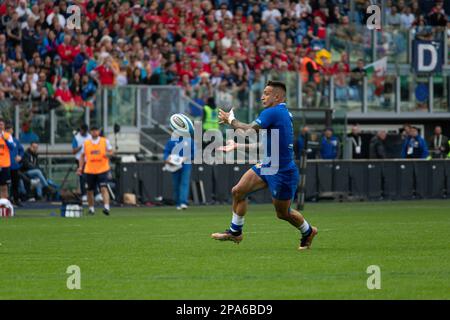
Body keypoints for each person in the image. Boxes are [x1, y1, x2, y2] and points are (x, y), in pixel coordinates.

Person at [212, 80, 318, 251]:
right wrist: (237, 146)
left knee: (283, 213)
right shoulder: (278, 113)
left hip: (282, 171)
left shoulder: (274, 112)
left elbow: (247, 130)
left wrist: (231, 120)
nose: (262, 97)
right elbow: (264, 146)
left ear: (277, 97)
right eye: (263, 93)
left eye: (266, 93)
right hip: (268, 164)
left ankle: (308, 231)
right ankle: (235, 231)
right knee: (238, 191)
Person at [77, 126, 113, 215]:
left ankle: (106, 207)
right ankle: (91, 209)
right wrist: (80, 167)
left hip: (102, 169)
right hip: (90, 170)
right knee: (89, 190)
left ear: (99, 131)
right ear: (90, 132)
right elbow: (82, 156)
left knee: (104, 188)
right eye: (93, 131)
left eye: (96, 130)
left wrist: (107, 154)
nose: (95, 132)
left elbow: (111, 152)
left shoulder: (105, 141)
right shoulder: (86, 143)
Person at [163, 131, 195, 210]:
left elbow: (194, 153)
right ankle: (177, 202)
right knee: (176, 183)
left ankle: (183, 202)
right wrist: (167, 159)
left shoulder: (189, 140)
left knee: (184, 182)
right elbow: (166, 152)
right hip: (174, 165)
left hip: (186, 164)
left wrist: (186, 157)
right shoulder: (171, 141)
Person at [72, 124, 92, 202]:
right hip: (79, 160)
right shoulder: (76, 138)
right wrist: (81, 146)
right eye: (83, 131)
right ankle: (84, 194)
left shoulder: (90, 137)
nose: (84, 132)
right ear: (81, 130)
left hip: (89, 160)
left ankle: (94, 194)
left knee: (91, 177)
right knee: (82, 178)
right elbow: (73, 151)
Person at [6, 124, 24, 206]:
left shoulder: (15, 141)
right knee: (5, 184)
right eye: (8, 130)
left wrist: (20, 156)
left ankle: (16, 199)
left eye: (11, 130)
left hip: (14, 165)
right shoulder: (3, 140)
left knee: (15, 183)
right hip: (5, 165)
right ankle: (6, 200)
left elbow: (21, 150)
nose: (9, 131)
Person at [0, 119, 15, 199]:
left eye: (1, 125)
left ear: (4, 126)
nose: (0, 126)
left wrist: (5, 139)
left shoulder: (8, 136)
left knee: (4, 186)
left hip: (5, 164)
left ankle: (4, 204)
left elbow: (12, 147)